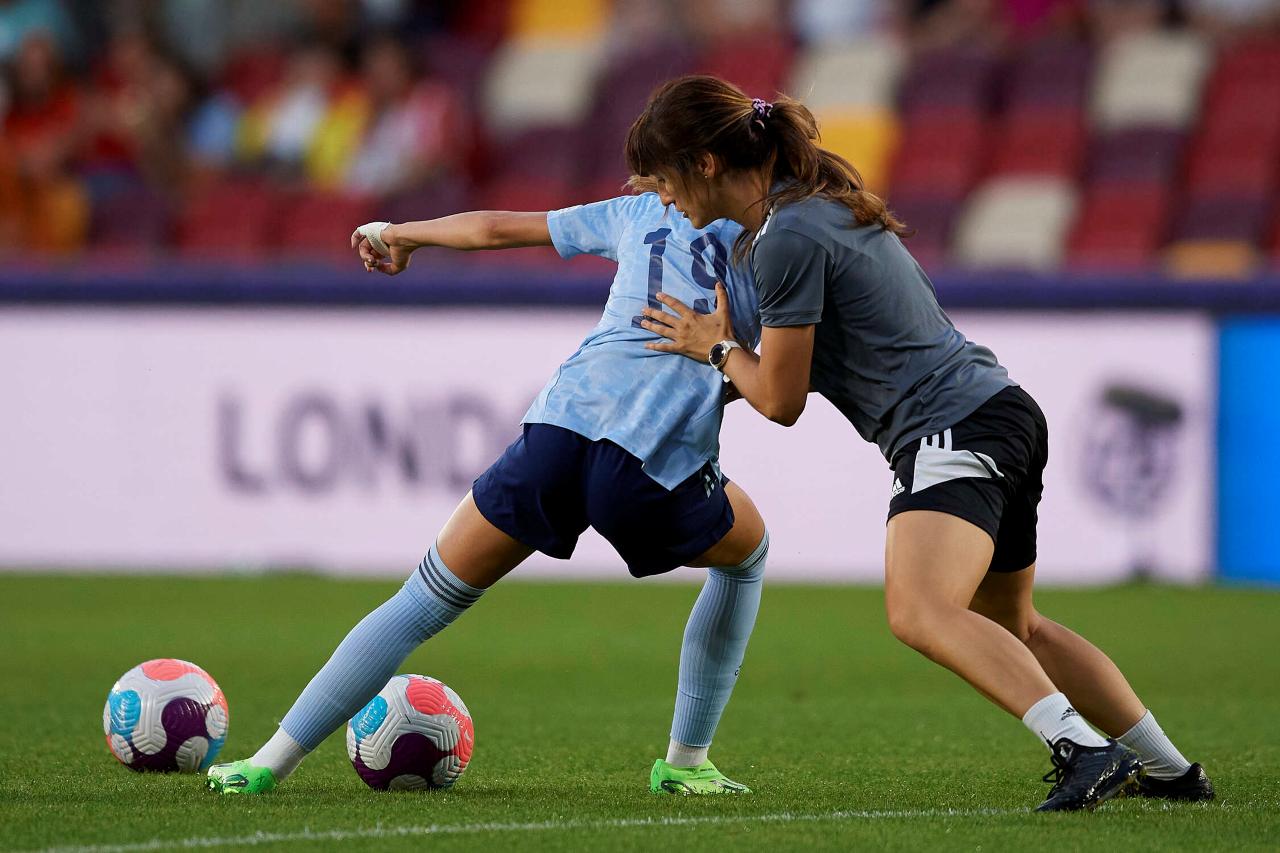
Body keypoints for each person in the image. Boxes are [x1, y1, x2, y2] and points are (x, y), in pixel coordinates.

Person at [623, 74, 1214, 812]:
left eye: (663, 180)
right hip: (999, 411)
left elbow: (781, 400)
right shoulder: (812, 209)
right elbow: (786, 373)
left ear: (706, 163)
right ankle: (1171, 770)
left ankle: (1084, 747)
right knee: (1014, 625)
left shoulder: (786, 238)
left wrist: (714, 348)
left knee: (920, 610)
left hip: (951, 426)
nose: (663, 199)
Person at [205, 191, 769, 797]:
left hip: (560, 427)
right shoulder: (773, 239)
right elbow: (782, 381)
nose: (652, 188)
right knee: (746, 556)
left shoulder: (638, 213)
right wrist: (719, 367)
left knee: (422, 598)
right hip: (645, 457)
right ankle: (686, 763)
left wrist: (400, 232)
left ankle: (266, 763)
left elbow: (496, 228)